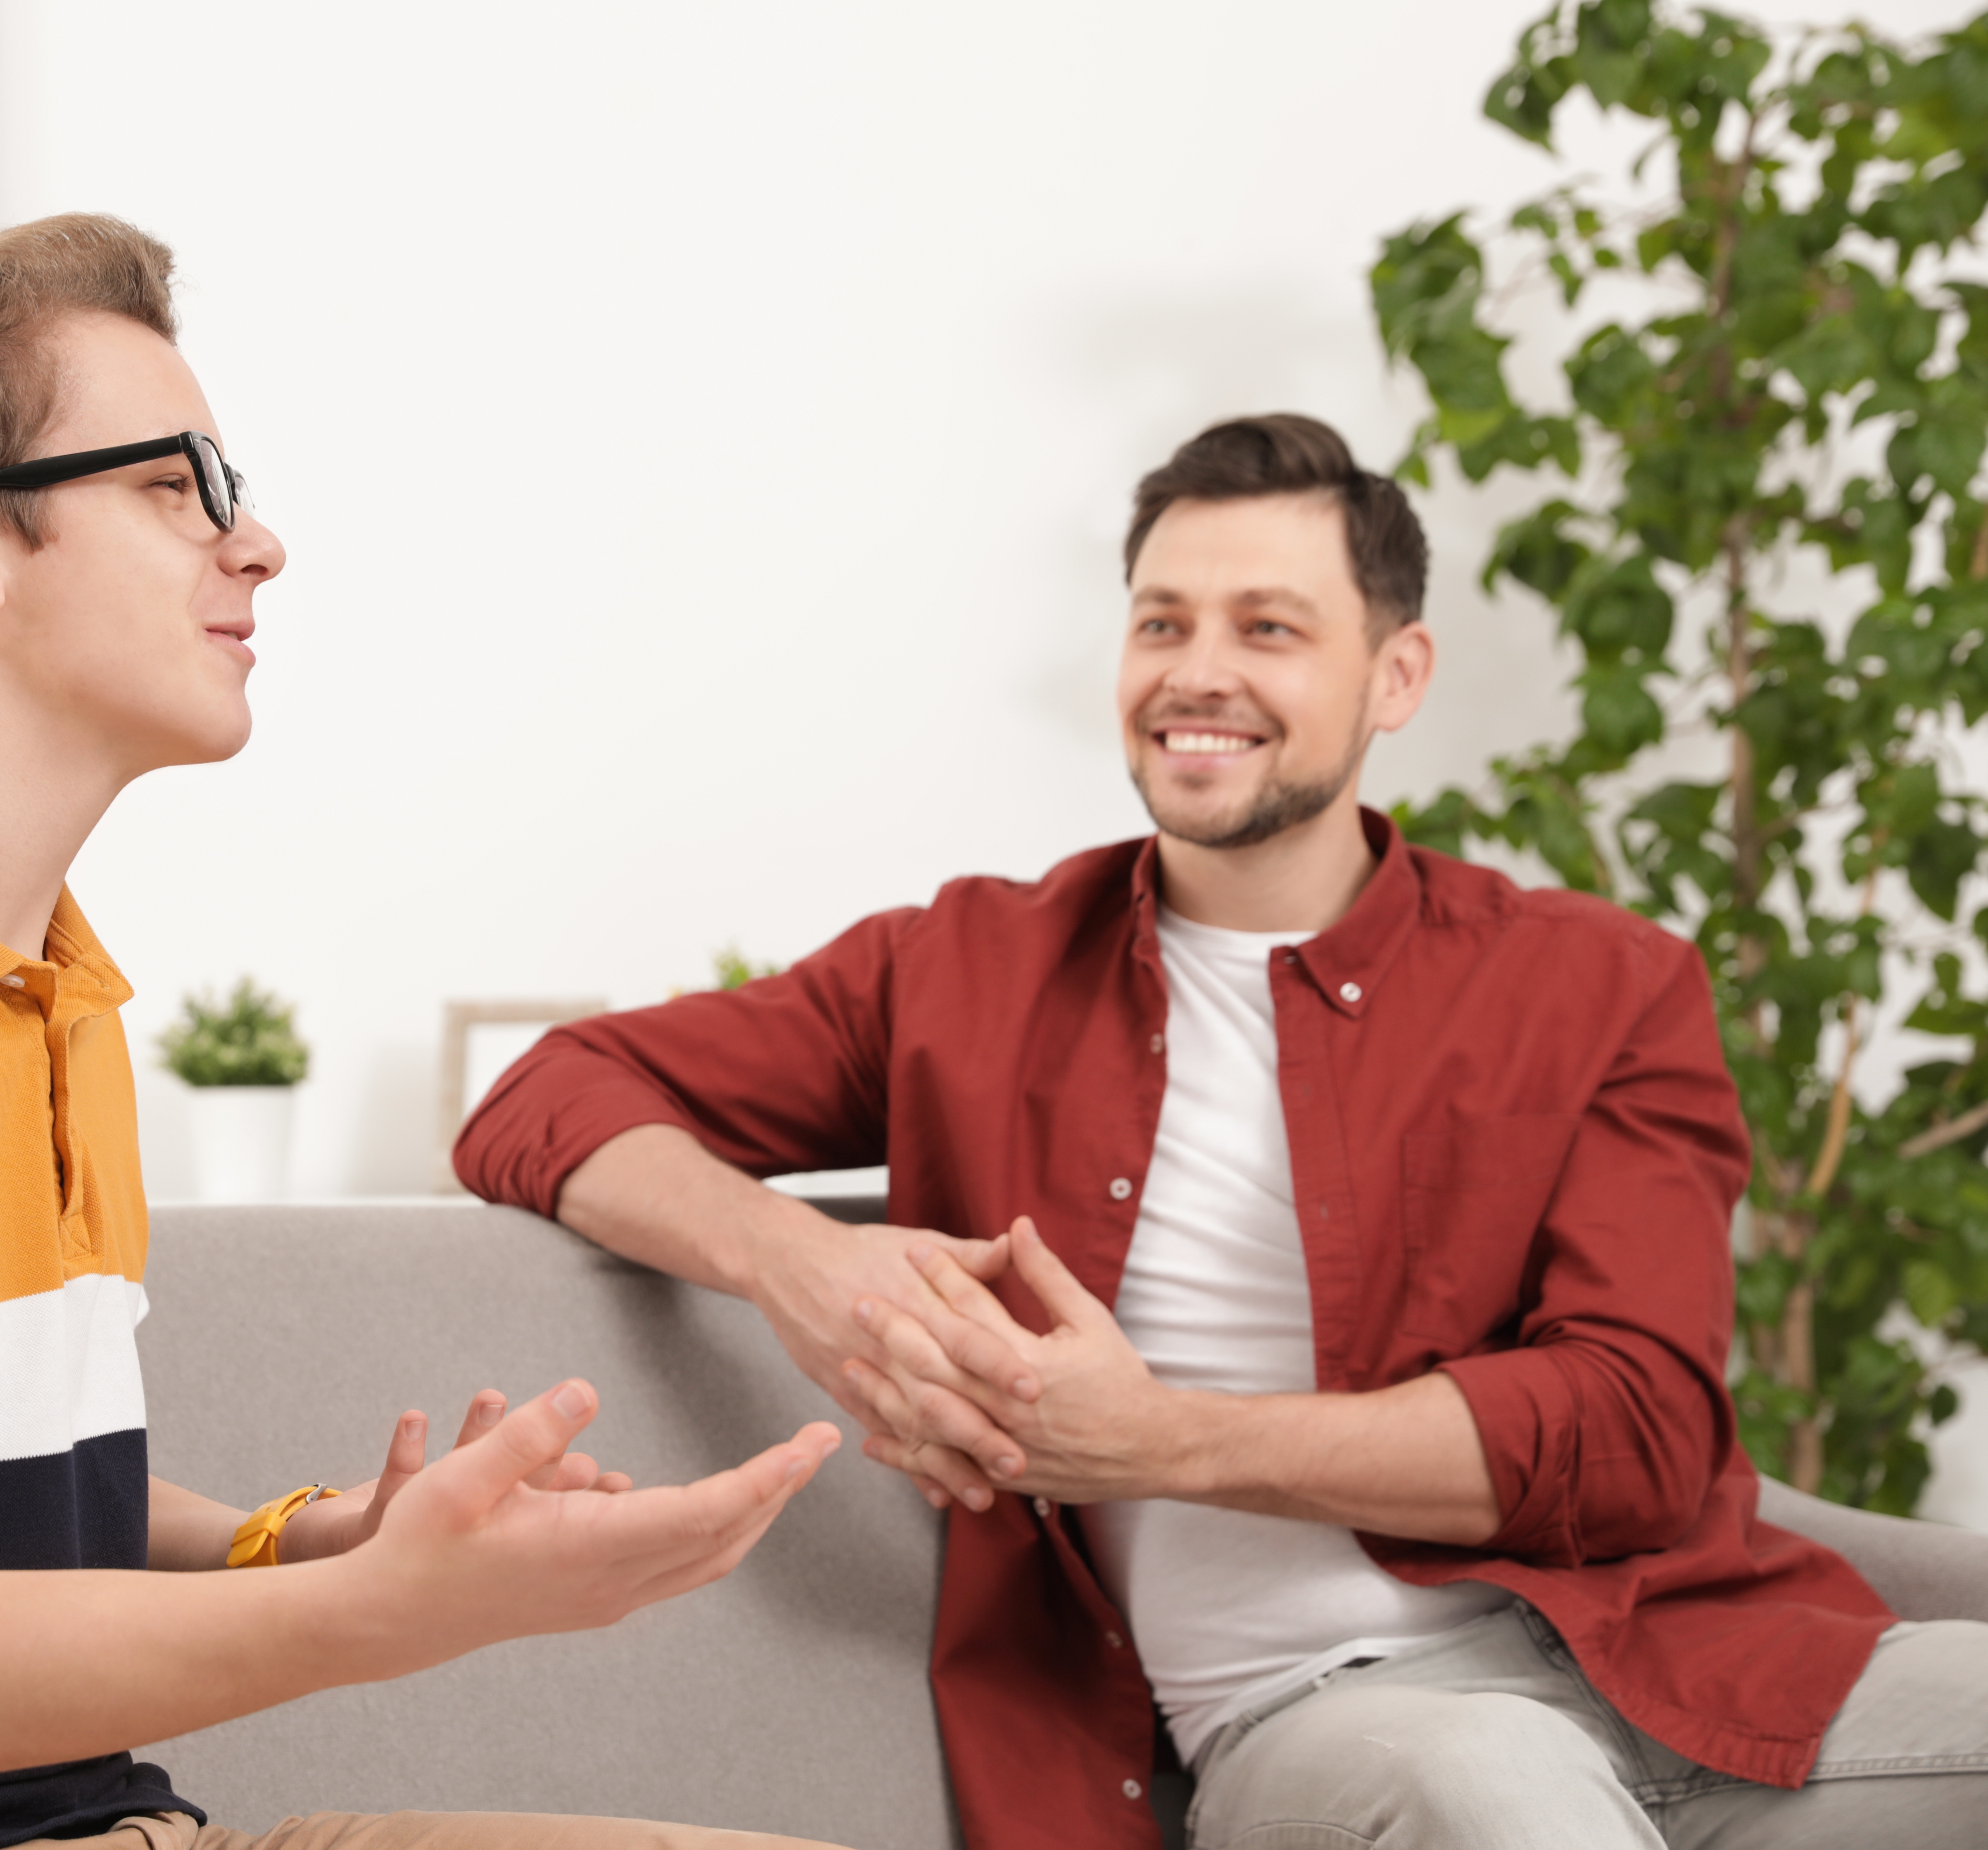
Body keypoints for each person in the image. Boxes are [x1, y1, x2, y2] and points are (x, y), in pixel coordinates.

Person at [0, 213, 846, 1850]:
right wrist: (394, 1618)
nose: (257, 541)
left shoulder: (49, 988)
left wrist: (328, 1544)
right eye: (175, 483)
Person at [455, 414, 1988, 1850]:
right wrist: (802, 1267)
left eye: (1270, 627)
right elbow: (543, 1098)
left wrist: (1160, 1441)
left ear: (1396, 675)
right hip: (1331, 1722)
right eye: (1162, 621)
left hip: (1685, 1655)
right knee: (1489, 1794)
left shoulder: (1601, 982)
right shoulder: (963, 968)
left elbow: (1640, 1431)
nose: (1199, 673)